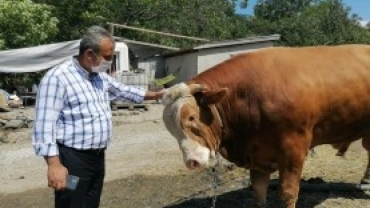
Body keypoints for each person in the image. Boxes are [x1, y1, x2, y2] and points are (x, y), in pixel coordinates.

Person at [32, 26, 165, 208]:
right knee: (71, 202)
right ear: (89, 54)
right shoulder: (57, 78)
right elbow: (44, 126)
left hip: (96, 159)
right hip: (72, 162)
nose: (109, 62)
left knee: (91, 203)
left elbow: (125, 91)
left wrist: (161, 94)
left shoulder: (99, 77)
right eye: (108, 57)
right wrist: (54, 165)